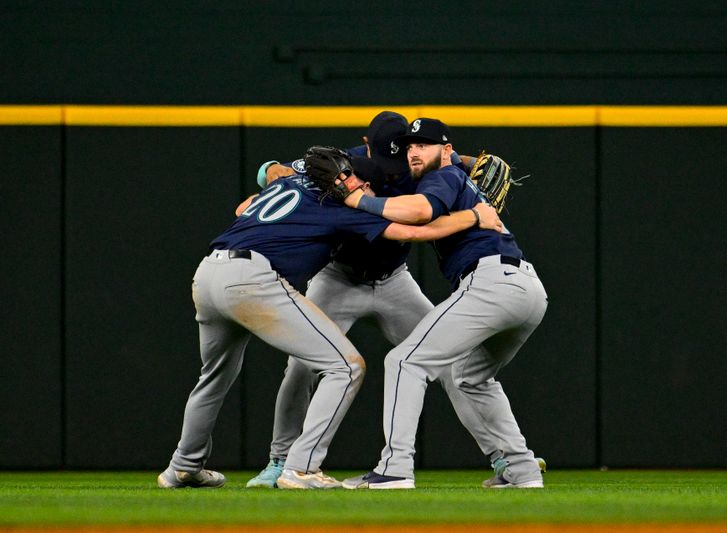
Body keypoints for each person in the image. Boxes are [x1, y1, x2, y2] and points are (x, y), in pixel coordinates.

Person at [157, 151, 502, 490]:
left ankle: (184, 466)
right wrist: (474, 215)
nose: (354, 184)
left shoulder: (294, 183)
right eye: (348, 178)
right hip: (254, 280)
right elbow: (409, 232)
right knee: (346, 367)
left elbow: (243, 208)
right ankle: (300, 468)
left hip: (209, 274)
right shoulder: (337, 204)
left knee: (213, 378)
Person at [244, 111, 511, 488]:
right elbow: (269, 171)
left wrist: (464, 160)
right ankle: (282, 460)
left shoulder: (416, 163)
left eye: (404, 151)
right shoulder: (344, 162)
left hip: (394, 281)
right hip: (338, 277)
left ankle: (503, 457)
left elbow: (445, 157)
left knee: (452, 359)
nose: (394, 163)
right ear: (365, 145)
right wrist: (280, 171)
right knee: (301, 365)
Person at [340, 118, 548, 489]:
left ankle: (395, 469)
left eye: (425, 143)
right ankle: (522, 469)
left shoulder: (444, 177)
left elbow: (419, 213)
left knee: (403, 361)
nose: (415, 151)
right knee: (470, 377)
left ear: (447, 150)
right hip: (526, 290)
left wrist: (359, 200)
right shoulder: (455, 178)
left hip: (490, 282)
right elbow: (427, 221)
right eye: (410, 146)